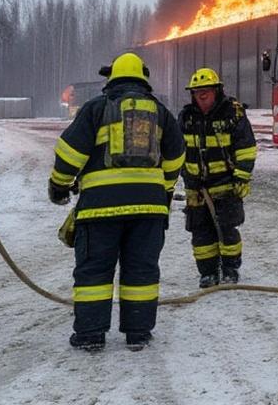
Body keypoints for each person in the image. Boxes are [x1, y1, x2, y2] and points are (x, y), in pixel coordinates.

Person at [48, 52, 184, 351]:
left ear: (111, 80)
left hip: (100, 210)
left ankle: (90, 335)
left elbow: (71, 153)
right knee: (141, 271)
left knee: (94, 272)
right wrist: (165, 189)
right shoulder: (160, 112)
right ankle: (138, 333)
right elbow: (176, 156)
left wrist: (58, 186)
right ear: (143, 79)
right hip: (149, 210)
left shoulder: (96, 108)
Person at [179, 67, 256, 288]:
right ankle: (208, 272)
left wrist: (241, 178)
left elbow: (246, 148)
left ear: (217, 90)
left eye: (206, 91)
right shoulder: (186, 118)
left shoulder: (233, 114)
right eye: (197, 92)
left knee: (227, 230)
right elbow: (176, 151)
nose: (201, 96)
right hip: (197, 187)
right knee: (200, 233)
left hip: (226, 184)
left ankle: (231, 269)